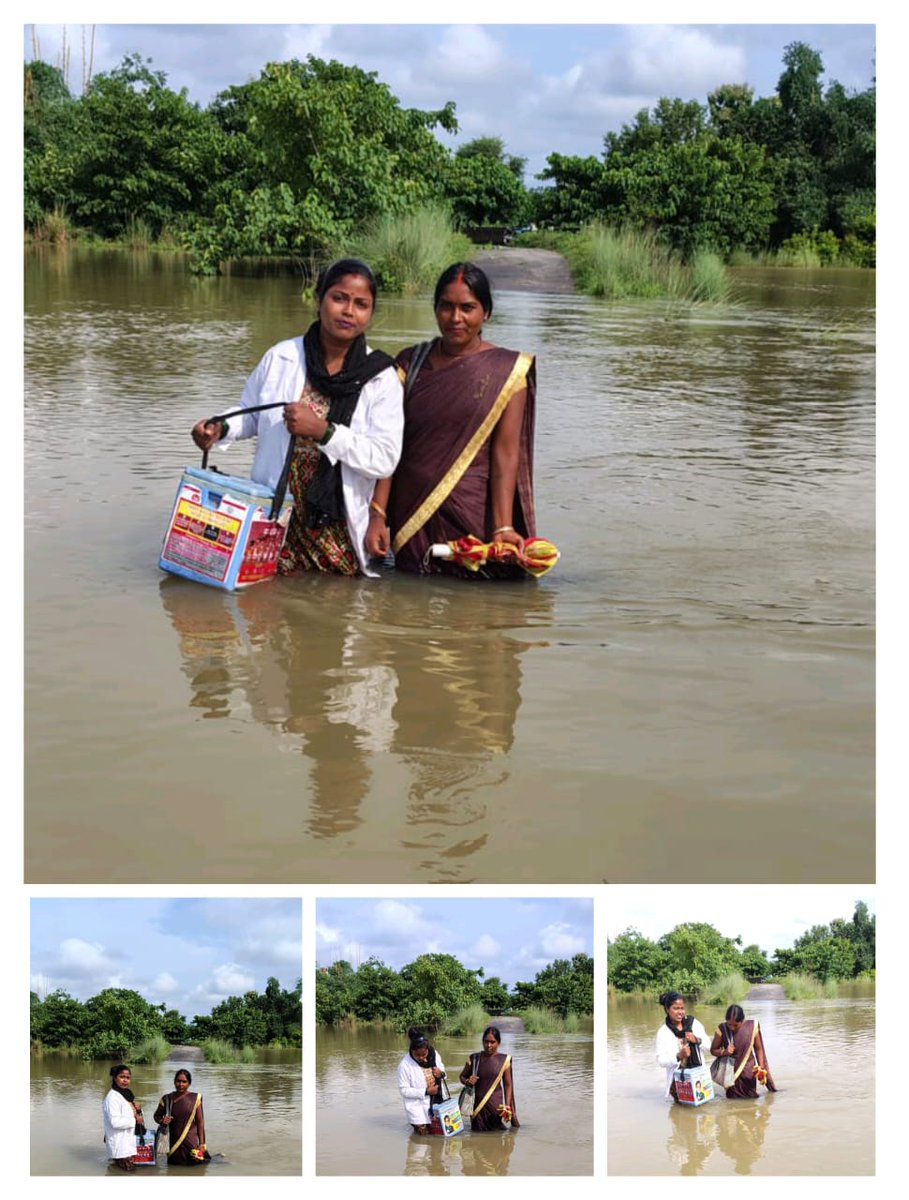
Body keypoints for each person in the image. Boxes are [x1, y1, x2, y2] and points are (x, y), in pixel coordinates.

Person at [192, 258, 404, 578]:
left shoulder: (380, 377)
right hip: (275, 517)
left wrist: (324, 432)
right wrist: (219, 427)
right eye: (339, 298)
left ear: (371, 314)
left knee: (334, 613)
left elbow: (384, 459)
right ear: (320, 298)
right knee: (266, 608)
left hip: (337, 527)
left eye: (361, 304)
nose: (348, 311)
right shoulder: (283, 357)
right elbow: (250, 414)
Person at [366, 262, 536, 576]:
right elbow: (389, 444)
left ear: (486, 312)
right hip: (411, 517)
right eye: (446, 307)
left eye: (467, 308)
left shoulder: (508, 371)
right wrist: (378, 515)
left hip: (471, 516)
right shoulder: (409, 363)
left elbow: (506, 455)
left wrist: (503, 527)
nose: (455, 318)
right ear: (435, 309)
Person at [459, 1025, 519, 1131]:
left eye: (492, 1042)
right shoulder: (474, 1059)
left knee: (497, 1136)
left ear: (498, 1043)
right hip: (477, 1107)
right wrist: (468, 1081)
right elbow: (462, 1076)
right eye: (486, 1042)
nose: (488, 1045)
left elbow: (508, 1085)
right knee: (477, 1136)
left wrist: (507, 1106)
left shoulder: (504, 1060)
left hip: (496, 1107)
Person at [710, 1004, 777, 1098]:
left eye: (736, 1025)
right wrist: (725, 1052)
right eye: (729, 1024)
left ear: (742, 1021)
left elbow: (758, 1048)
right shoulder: (722, 1029)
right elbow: (713, 1050)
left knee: (751, 1098)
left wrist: (761, 1067)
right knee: (732, 1100)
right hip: (731, 1073)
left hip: (748, 1071)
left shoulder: (751, 1027)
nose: (732, 1028)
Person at [656, 992, 709, 1100]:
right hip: (678, 1082)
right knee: (681, 1112)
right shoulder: (663, 1032)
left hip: (699, 1077)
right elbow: (661, 1061)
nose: (680, 1012)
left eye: (682, 1008)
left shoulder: (693, 1024)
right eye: (676, 1008)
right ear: (667, 1009)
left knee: (703, 1111)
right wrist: (679, 1056)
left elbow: (709, 1047)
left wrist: (697, 1040)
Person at [153, 1068, 211, 1165]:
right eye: (178, 1081)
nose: (181, 1084)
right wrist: (162, 1121)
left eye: (184, 1082)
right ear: (174, 1082)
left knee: (193, 1165)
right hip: (172, 1141)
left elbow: (200, 1123)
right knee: (173, 1165)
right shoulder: (167, 1099)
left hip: (190, 1141)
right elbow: (156, 1116)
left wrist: (202, 1144)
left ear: (189, 1083)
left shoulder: (195, 1098)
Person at [397, 1032, 446, 1135]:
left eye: (424, 1054)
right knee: (421, 1144)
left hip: (437, 1105)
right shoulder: (405, 1065)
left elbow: (443, 1073)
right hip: (418, 1110)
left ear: (428, 1049)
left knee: (438, 1141)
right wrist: (426, 1091)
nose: (422, 1058)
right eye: (417, 1055)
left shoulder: (434, 1054)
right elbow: (403, 1090)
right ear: (412, 1050)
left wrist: (440, 1073)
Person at [102, 1063, 145, 1173]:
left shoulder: (127, 1095)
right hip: (119, 1144)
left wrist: (139, 1109)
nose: (125, 1080)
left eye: (128, 1077)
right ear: (115, 1078)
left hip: (127, 1141)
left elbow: (132, 1114)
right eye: (122, 1077)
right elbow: (115, 1122)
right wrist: (135, 1121)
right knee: (129, 1172)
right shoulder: (112, 1098)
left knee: (121, 1171)